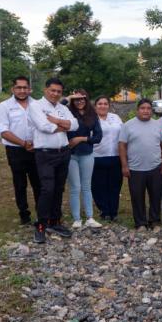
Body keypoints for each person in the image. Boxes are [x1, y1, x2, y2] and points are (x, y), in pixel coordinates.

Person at [28, 77, 79, 244]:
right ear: (45, 90)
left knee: (58, 189)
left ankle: (54, 222)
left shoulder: (62, 107)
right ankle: (41, 225)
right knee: (47, 189)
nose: (55, 94)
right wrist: (64, 126)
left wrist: (56, 121)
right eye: (52, 90)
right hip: (45, 154)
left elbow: (75, 125)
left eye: (58, 91)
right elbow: (44, 127)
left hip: (63, 152)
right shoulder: (36, 106)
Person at [0, 76, 39, 226]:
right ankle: (24, 215)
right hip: (15, 150)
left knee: (38, 183)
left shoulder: (37, 105)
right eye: (18, 88)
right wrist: (23, 143)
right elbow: (3, 131)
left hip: (36, 149)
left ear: (29, 89)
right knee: (20, 184)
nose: (22, 91)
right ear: (13, 89)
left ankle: (41, 214)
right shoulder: (4, 106)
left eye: (25, 87)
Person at [119, 98, 162, 231]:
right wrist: (124, 165)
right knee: (137, 197)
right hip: (135, 168)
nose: (146, 111)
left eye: (148, 108)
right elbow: (122, 145)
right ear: (137, 110)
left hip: (155, 167)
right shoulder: (128, 125)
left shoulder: (157, 124)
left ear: (151, 110)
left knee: (156, 195)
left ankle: (155, 221)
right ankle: (140, 223)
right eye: (143, 108)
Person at [66, 90, 103, 229]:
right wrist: (69, 97)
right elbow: (59, 104)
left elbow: (98, 137)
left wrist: (81, 138)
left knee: (86, 186)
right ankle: (76, 219)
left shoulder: (92, 115)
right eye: (76, 99)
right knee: (75, 187)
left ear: (86, 100)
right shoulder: (66, 112)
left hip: (87, 154)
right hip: (71, 155)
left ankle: (90, 217)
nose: (79, 101)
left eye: (82, 99)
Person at [91, 96, 123, 222]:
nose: (103, 106)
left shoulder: (115, 117)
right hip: (97, 156)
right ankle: (104, 211)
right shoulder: (91, 119)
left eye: (105, 103)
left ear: (109, 105)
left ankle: (113, 211)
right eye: (100, 103)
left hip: (115, 156)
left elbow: (123, 132)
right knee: (99, 186)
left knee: (115, 185)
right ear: (95, 106)